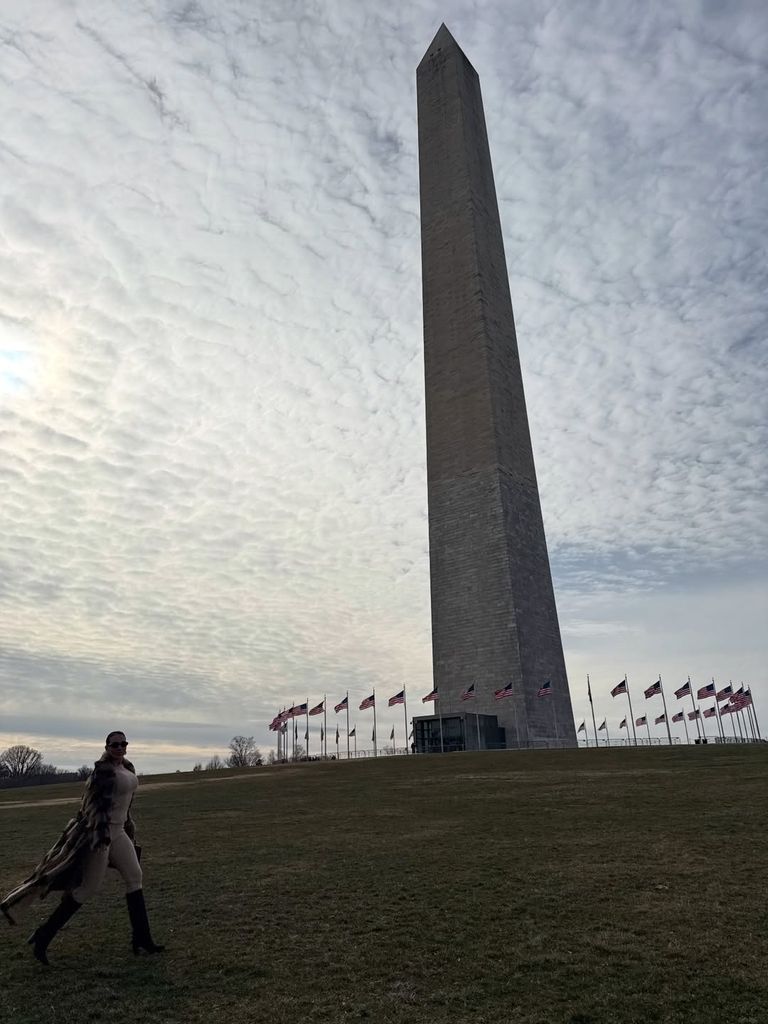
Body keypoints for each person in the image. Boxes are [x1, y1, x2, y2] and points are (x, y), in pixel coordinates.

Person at [0, 731, 164, 964]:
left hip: (118, 832)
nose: (119, 747)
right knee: (88, 888)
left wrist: (127, 828)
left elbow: (125, 805)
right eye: (114, 744)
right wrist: (99, 835)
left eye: (123, 743)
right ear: (107, 747)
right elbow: (90, 806)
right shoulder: (101, 772)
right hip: (101, 834)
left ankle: (142, 939)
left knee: (135, 876)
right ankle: (44, 935)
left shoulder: (127, 768)